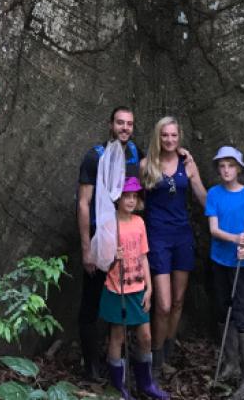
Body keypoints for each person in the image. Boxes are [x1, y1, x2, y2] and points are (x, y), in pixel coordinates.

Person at [76, 107, 142, 381]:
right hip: (99, 237)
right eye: (120, 123)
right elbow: (83, 203)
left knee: (120, 298)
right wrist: (86, 249)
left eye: (129, 124)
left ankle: (115, 362)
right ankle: (90, 366)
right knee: (92, 300)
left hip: (126, 239)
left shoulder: (134, 155)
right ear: (110, 125)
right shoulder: (95, 156)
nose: (124, 128)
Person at [139, 116, 207, 375]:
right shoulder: (147, 165)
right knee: (163, 303)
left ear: (179, 138)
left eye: (174, 136)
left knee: (178, 301)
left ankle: (166, 353)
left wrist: (230, 210)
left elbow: (201, 196)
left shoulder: (187, 165)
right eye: (165, 135)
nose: (169, 140)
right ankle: (154, 360)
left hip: (182, 237)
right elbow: (133, 198)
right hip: (157, 238)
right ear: (159, 137)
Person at [99, 177, 170, 400]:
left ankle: (146, 383)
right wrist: (112, 256)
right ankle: (119, 387)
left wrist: (149, 288)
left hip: (137, 286)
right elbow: (102, 261)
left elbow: (143, 256)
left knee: (146, 337)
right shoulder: (109, 224)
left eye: (134, 196)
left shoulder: (139, 222)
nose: (130, 200)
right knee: (117, 337)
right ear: (118, 198)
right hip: (117, 288)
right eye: (126, 196)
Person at [206, 146, 244, 398]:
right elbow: (214, 229)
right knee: (221, 309)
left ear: (239, 169)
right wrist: (237, 238)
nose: (226, 170)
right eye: (222, 166)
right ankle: (231, 363)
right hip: (219, 261)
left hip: (241, 265)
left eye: (231, 165)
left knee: (243, 313)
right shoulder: (214, 194)